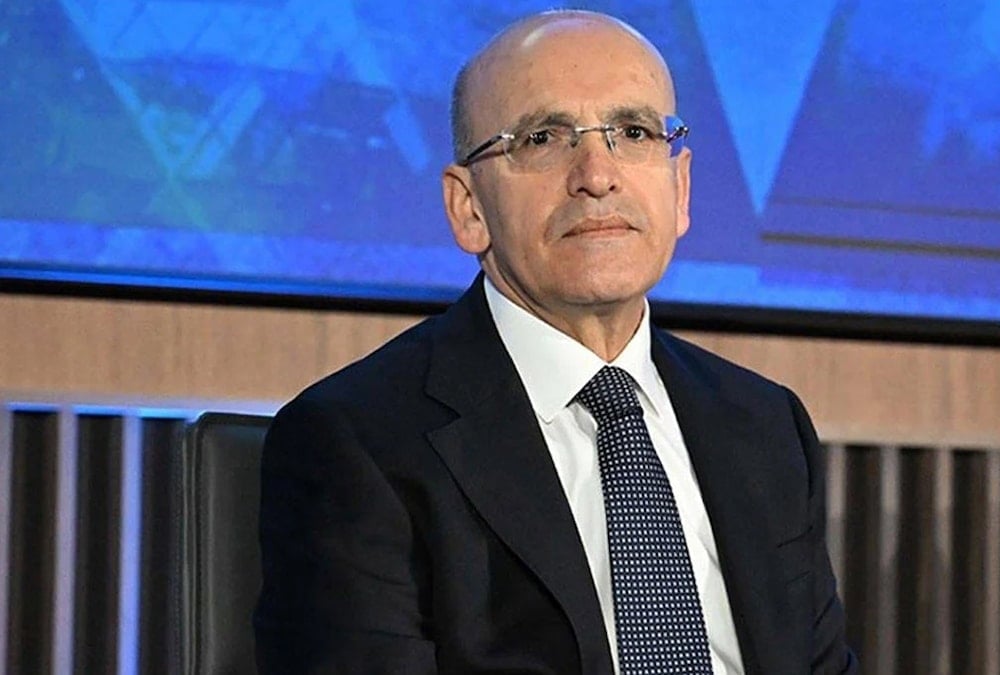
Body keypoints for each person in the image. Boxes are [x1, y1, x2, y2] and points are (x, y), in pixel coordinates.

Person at [255, 9, 856, 674]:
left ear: (680, 189)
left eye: (634, 132)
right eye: (543, 138)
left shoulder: (765, 426)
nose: (597, 174)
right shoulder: (356, 441)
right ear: (468, 208)